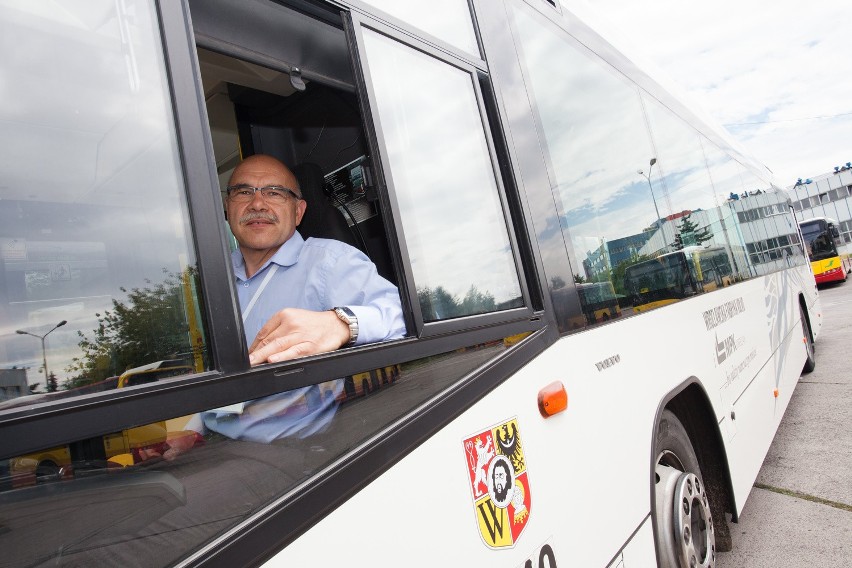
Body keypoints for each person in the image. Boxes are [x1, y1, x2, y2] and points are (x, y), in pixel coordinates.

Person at [175, 154, 405, 447]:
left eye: (274, 192)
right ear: (227, 207)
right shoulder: (211, 280)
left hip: (295, 453)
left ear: (298, 211)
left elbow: (402, 314)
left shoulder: (330, 262)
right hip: (216, 444)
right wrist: (193, 431)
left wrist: (339, 323)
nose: (257, 204)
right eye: (244, 191)